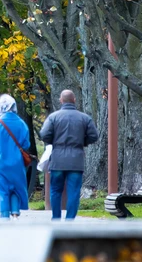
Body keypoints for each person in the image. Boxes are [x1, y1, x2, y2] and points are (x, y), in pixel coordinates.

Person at [40, 89, 98, 220]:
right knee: (74, 192)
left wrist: (54, 141)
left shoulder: (53, 117)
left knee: (55, 190)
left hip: (57, 160)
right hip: (76, 160)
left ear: (61, 100)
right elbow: (94, 136)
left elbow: (44, 135)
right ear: (74, 100)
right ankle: (70, 220)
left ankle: (56, 217)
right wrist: (82, 142)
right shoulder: (84, 118)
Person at [0, 94, 31, 220]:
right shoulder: (22, 124)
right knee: (16, 188)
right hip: (17, 163)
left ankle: (4, 215)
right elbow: (26, 144)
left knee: (2, 189)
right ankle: (15, 213)